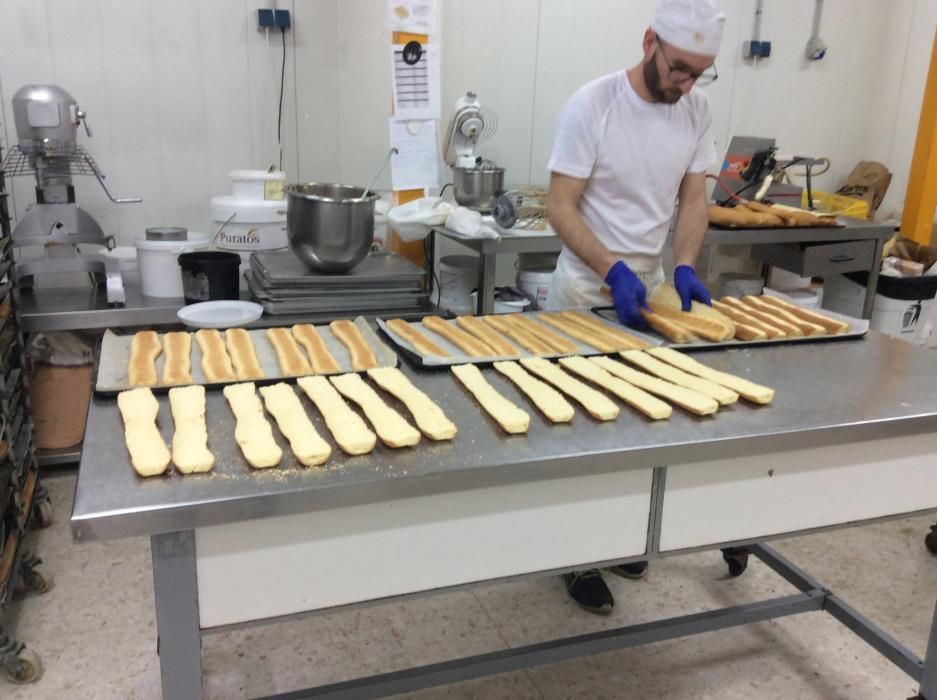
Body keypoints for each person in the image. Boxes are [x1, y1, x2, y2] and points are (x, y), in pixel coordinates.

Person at [545, 0, 725, 614]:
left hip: (646, 295)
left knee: (635, 424)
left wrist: (683, 266)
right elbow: (560, 206)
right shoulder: (592, 105)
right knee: (576, 429)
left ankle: (619, 534)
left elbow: (693, 200)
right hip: (584, 292)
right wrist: (611, 268)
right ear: (650, 42)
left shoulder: (696, 111)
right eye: (679, 69)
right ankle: (571, 557)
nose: (687, 84)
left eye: (699, 74)